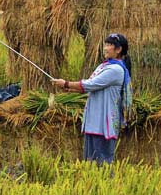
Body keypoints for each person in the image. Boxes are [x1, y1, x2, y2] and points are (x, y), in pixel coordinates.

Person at [53, 33, 132, 165]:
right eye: (105, 44)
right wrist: (69, 88)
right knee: (90, 162)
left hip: (104, 124)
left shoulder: (116, 70)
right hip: (94, 122)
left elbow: (90, 84)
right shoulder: (103, 66)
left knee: (103, 164)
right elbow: (90, 85)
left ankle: (106, 185)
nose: (105, 48)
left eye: (110, 45)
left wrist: (66, 83)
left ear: (118, 50)